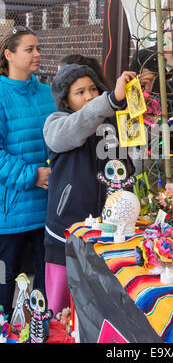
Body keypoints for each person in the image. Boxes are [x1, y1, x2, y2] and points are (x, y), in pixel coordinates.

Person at [43, 63, 136, 315]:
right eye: (80, 92)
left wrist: (137, 102)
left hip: (109, 233)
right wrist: (110, 100)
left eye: (93, 89)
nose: (89, 96)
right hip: (65, 233)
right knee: (59, 311)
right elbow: (80, 124)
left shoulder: (113, 122)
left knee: (98, 312)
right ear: (65, 100)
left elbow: (135, 154)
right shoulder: (55, 124)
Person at [0, 26, 55, 320]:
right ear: (9, 54)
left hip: (48, 209)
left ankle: (42, 333)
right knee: (3, 282)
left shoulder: (48, 93)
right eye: (29, 49)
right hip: (10, 213)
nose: (37, 54)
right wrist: (33, 175)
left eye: (38, 48)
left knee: (47, 281)